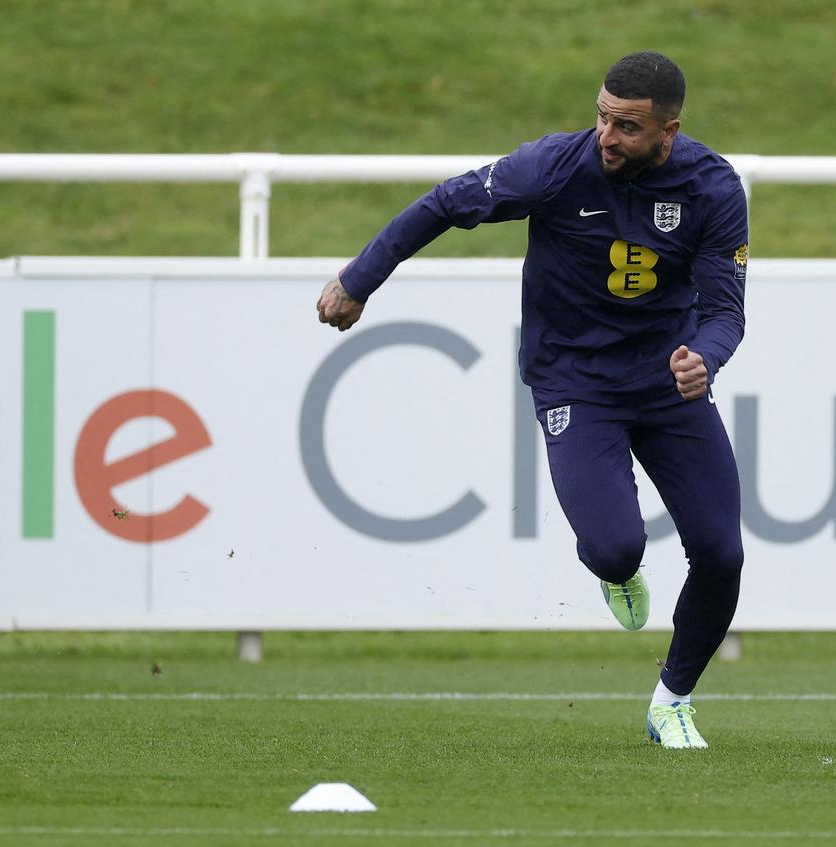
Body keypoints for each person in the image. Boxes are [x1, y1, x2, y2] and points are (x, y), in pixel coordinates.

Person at [316, 51, 747, 750]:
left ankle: (672, 701)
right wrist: (358, 278)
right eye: (602, 117)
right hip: (574, 379)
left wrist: (706, 356)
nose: (607, 136)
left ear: (670, 131)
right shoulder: (552, 166)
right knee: (613, 547)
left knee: (722, 553)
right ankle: (617, 570)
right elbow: (445, 203)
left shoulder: (712, 187)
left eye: (628, 128)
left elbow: (727, 311)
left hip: (668, 382)